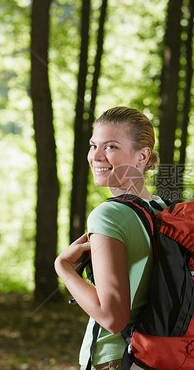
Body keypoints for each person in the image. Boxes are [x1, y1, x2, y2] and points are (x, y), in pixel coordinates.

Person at [54, 106, 165, 370]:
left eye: (111, 147)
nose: (96, 156)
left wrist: (64, 268)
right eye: (94, 146)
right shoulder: (161, 208)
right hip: (155, 358)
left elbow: (112, 317)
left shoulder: (109, 215)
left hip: (116, 358)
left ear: (142, 156)